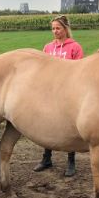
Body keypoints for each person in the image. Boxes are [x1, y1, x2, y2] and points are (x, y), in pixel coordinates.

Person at [33, 15, 84, 176]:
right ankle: (46, 158)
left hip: (68, 93)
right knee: (48, 124)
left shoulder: (75, 47)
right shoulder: (48, 47)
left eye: (58, 28)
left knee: (70, 126)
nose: (55, 31)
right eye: (53, 28)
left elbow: (80, 71)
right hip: (49, 92)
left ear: (65, 29)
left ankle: (71, 161)